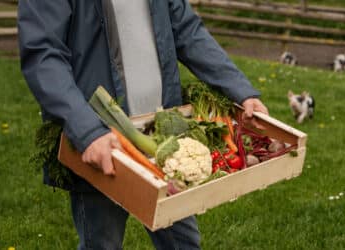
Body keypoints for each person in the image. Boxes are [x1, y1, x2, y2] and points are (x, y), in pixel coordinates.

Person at [18, 0, 268, 249]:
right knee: (103, 244)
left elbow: (187, 31)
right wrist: (88, 131)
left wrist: (241, 91)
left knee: (183, 244)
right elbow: (43, 54)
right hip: (104, 143)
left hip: (164, 138)